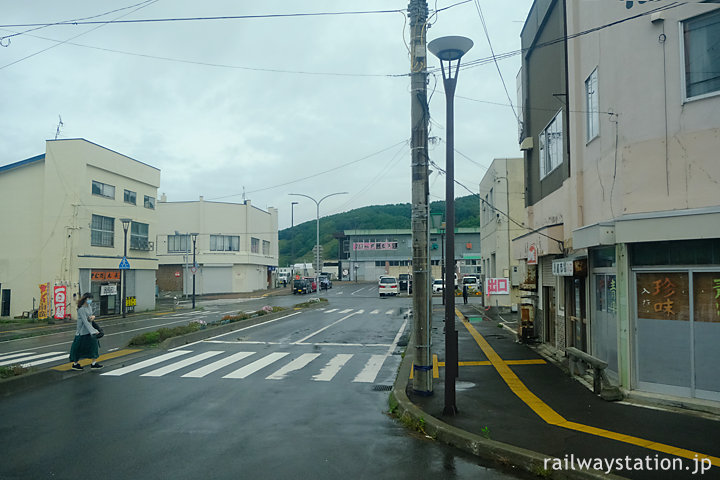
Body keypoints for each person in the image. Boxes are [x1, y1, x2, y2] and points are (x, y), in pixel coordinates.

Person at [69, 292, 103, 370]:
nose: (90, 301)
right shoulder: (81, 309)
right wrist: (94, 331)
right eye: (89, 299)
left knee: (94, 346)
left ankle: (94, 363)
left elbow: (88, 318)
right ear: (85, 299)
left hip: (89, 332)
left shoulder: (89, 307)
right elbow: (85, 321)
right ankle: (75, 364)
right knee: (78, 349)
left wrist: (92, 317)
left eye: (91, 299)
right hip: (82, 332)